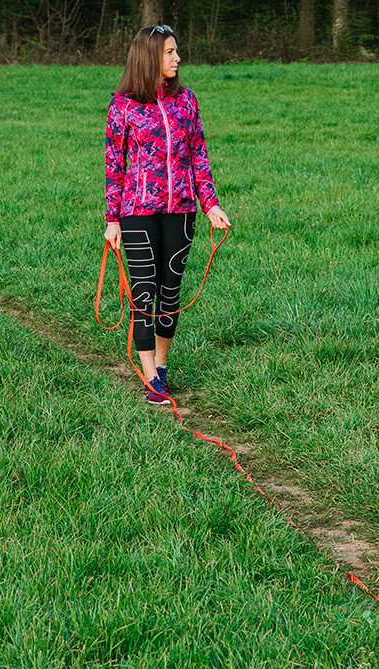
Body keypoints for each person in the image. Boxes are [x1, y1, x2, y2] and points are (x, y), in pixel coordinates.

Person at [104, 25, 230, 404]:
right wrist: (112, 219)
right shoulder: (122, 105)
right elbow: (115, 165)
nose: (177, 58)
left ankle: (160, 365)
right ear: (149, 58)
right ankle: (149, 376)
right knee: (144, 293)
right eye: (169, 52)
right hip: (137, 213)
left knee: (170, 294)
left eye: (176, 51)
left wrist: (211, 205)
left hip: (182, 212)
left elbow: (198, 156)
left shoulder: (186, 101)